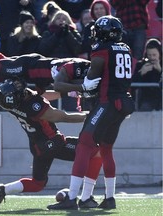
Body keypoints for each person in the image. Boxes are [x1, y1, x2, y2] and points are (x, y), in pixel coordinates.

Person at [47, 15, 135, 210]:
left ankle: (71, 198)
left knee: (84, 144)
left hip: (108, 102)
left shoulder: (101, 49)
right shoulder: (126, 48)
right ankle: (109, 198)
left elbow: (92, 78)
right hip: (124, 102)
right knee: (105, 149)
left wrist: (81, 85)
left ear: (104, 32)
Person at [0, 77, 102, 209]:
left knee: (38, 184)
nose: (20, 86)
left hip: (38, 146)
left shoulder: (13, 103)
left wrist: (66, 93)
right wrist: (90, 116)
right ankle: (86, 197)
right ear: (19, 96)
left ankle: (3, 190)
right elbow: (62, 116)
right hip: (52, 143)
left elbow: (41, 96)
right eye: (19, 90)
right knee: (95, 152)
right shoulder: (32, 107)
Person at [132, 38, 162, 111]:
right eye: (149, 55)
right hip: (146, 99)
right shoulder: (141, 65)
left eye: (154, 55)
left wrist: (160, 70)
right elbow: (132, 85)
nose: (152, 57)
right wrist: (141, 73)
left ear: (160, 54)